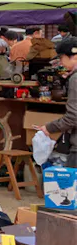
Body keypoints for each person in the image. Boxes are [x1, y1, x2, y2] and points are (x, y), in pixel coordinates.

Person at [38, 37, 77, 167]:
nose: (61, 62)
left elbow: (73, 117)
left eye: (61, 58)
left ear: (74, 56)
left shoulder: (75, 79)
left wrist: (49, 127)